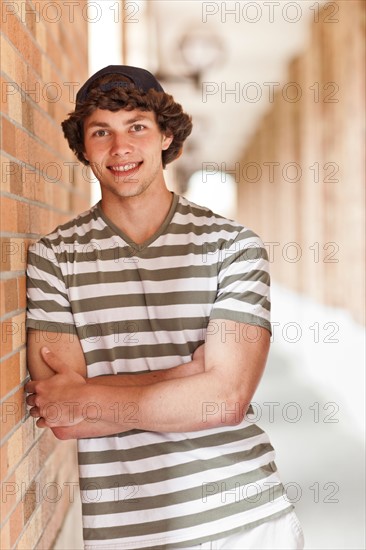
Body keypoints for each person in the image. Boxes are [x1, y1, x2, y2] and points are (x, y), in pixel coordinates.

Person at [25, 66, 304, 549]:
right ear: (83, 148)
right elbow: (65, 414)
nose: (120, 149)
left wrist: (90, 393)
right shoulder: (54, 257)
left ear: (165, 135)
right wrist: (185, 376)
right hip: (126, 533)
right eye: (100, 133)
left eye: (136, 126)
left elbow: (226, 399)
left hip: (246, 521)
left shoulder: (232, 246)